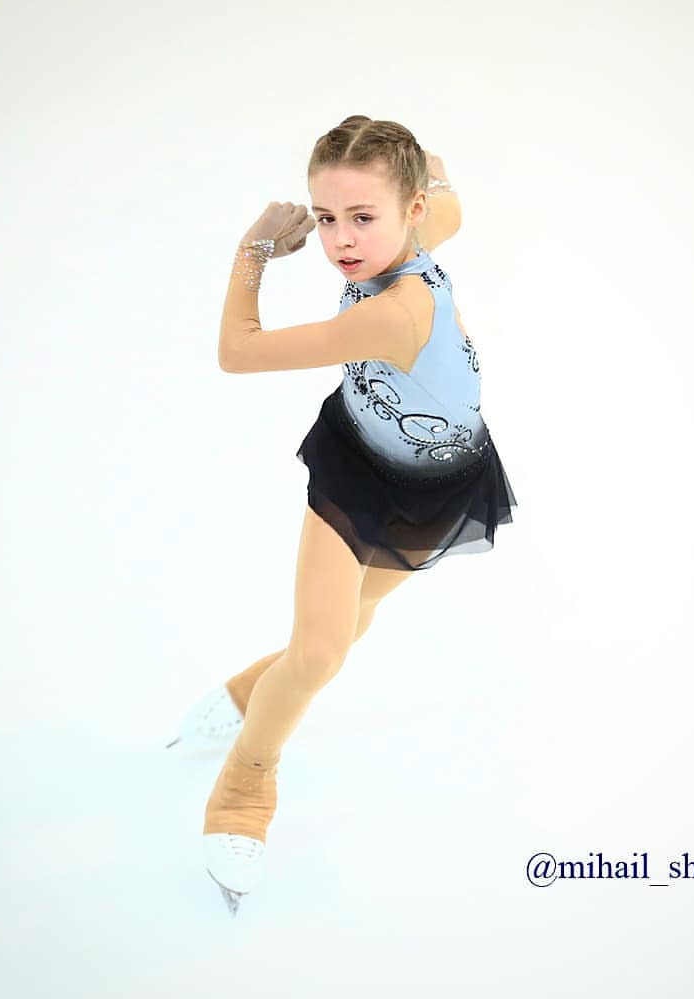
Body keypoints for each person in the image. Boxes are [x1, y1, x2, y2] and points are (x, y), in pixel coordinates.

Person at [180, 116, 518, 915]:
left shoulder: (394, 309)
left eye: (362, 216)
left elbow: (238, 347)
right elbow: (239, 355)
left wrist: (254, 251)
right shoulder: (420, 229)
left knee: (348, 621)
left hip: (437, 485)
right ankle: (243, 786)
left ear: (410, 209)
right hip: (360, 471)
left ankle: (249, 691)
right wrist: (409, 168)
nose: (339, 240)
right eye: (326, 216)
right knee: (321, 649)